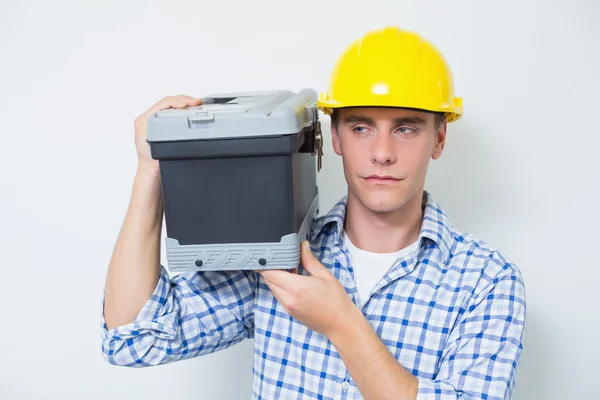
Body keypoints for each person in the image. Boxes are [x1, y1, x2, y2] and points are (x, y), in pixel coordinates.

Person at [101, 26, 526, 399]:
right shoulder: (275, 258)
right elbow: (132, 339)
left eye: (406, 128)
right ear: (334, 137)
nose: (381, 153)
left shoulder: (486, 282)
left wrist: (342, 325)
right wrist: (152, 167)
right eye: (361, 127)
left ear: (439, 138)